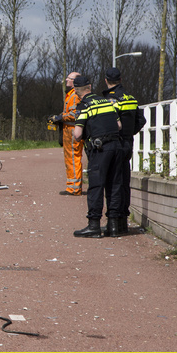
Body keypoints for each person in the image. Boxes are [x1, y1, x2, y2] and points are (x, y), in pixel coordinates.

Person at [72, 75, 124, 238]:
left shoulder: (84, 105)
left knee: (96, 186)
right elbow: (119, 125)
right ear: (90, 87)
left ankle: (94, 225)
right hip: (117, 146)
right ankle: (113, 226)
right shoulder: (106, 102)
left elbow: (77, 135)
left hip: (100, 149)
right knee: (114, 185)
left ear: (76, 91)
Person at [102, 67, 147, 234]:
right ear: (120, 80)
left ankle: (113, 224)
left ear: (106, 80)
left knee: (113, 182)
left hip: (114, 144)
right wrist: (129, 133)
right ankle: (122, 222)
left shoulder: (109, 100)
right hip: (127, 143)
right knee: (124, 182)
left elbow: (108, 123)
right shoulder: (130, 98)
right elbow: (141, 120)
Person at [50, 72, 84, 196]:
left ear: (74, 81)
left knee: (73, 158)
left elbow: (75, 114)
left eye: (68, 79)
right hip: (68, 131)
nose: (66, 80)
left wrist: (60, 117)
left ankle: (74, 188)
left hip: (73, 131)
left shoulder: (75, 95)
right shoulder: (70, 94)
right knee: (70, 159)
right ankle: (71, 186)